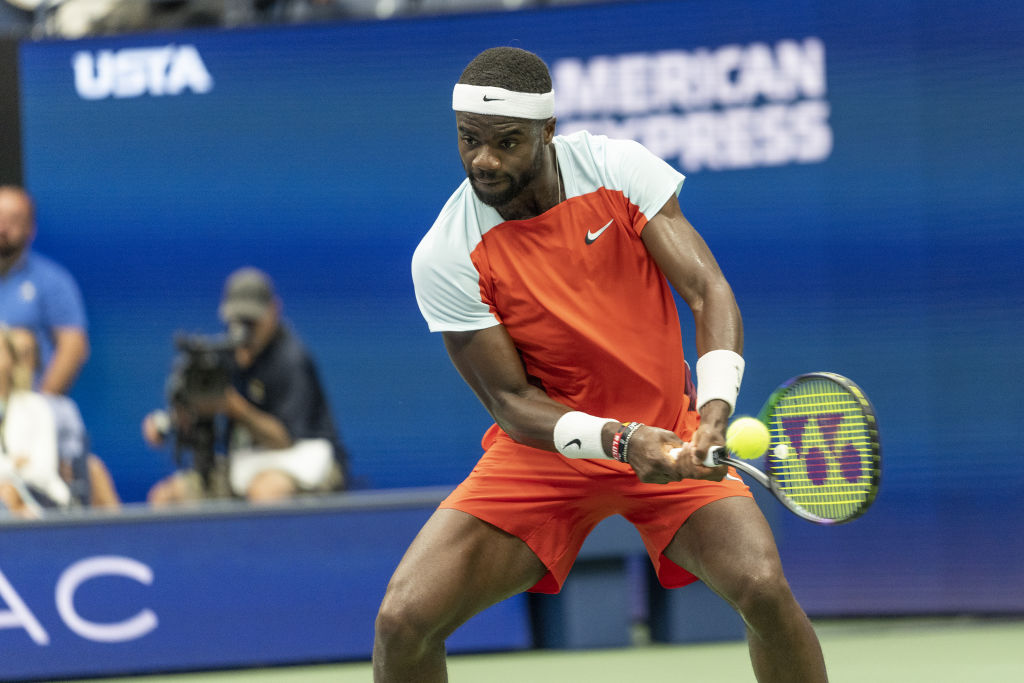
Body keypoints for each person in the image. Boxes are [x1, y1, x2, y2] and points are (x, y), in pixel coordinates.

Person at [373, 47, 827, 682]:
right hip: (547, 454)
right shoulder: (447, 253)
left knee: (762, 588)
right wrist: (620, 438)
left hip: (671, 426)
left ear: (546, 131)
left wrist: (714, 413)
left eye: (506, 142)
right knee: (404, 622)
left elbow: (707, 291)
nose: (484, 159)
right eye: (469, 139)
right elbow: (511, 403)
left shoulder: (617, 168)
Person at [144, 266, 349, 505]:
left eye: (252, 321)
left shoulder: (292, 359)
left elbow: (284, 440)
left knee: (264, 493)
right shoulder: (221, 357)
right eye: (238, 320)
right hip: (243, 465)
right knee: (166, 497)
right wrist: (173, 421)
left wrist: (234, 408)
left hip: (303, 462)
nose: (245, 330)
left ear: (273, 310)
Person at [7, 326, 121, 510]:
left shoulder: (57, 407)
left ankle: (123, 536)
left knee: (95, 469)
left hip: (47, 482)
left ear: (36, 360)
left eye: (26, 354)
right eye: (15, 355)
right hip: (11, 484)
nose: (20, 363)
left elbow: (72, 461)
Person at [0, 185, 89, 395]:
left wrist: (41, 404)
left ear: (30, 229)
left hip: (26, 404)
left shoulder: (52, 281)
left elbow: (74, 347)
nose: (2, 229)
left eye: (13, 220)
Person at [0, 326, 70, 517]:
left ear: (11, 359)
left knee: (9, 499)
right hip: (5, 497)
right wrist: (14, 464)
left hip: (41, 499)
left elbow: (44, 470)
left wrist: (12, 484)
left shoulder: (36, 407)